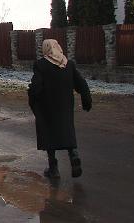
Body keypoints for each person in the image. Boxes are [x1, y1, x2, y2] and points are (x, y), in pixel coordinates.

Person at [28, 39, 92, 179]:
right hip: (65, 106)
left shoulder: (41, 65)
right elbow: (81, 83)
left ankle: (53, 168)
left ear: (46, 49)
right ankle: (73, 154)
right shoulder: (68, 64)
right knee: (67, 129)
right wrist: (86, 99)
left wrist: (32, 101)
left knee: (49, 134)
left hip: (47, 107)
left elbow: (36, 88)